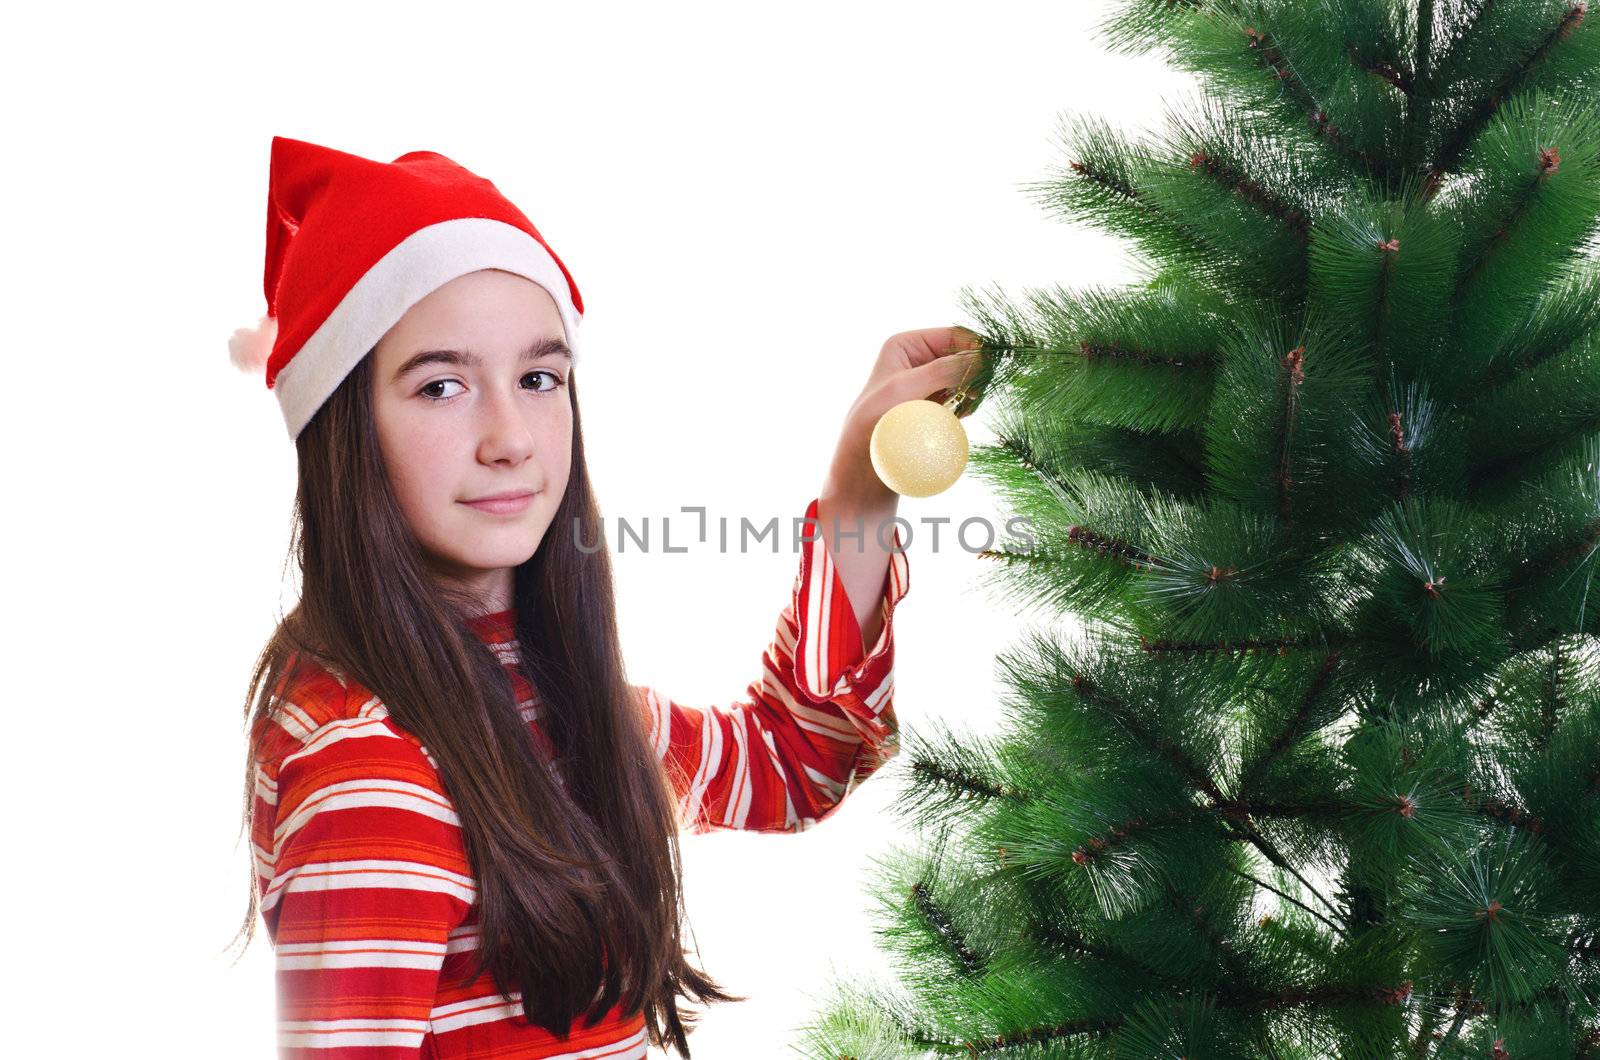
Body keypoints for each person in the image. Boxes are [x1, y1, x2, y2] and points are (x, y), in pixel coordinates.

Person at [227, 135, 982, 1059]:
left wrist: (863, 479)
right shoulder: (375, 772)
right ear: (343, 424)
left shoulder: (545, 702)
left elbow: (792, 760)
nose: (511, 436)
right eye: (441, 386)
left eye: (540, 378)